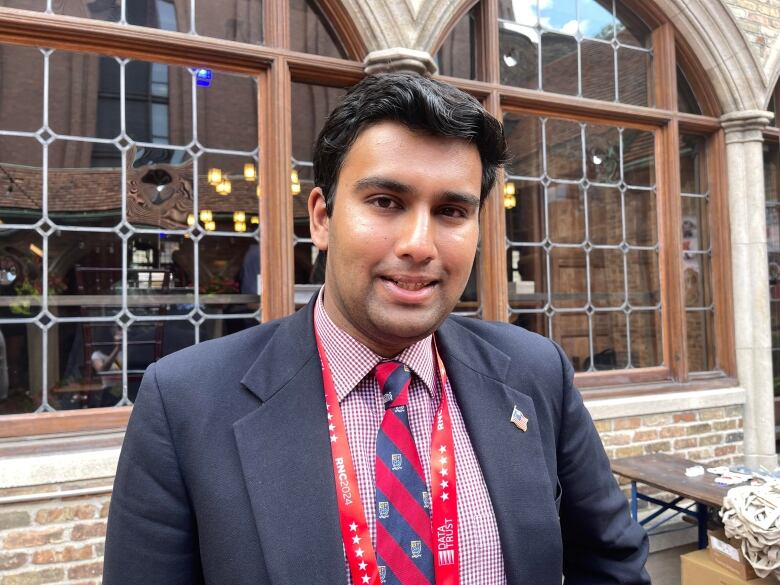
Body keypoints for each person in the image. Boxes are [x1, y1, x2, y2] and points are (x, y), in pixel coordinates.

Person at [103, 72, 650, 585]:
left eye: (452, 211)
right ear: (322, 217)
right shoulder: (187, 403)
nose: (419, 244)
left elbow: (611, 564)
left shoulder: (535, 372)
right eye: (386, 202)